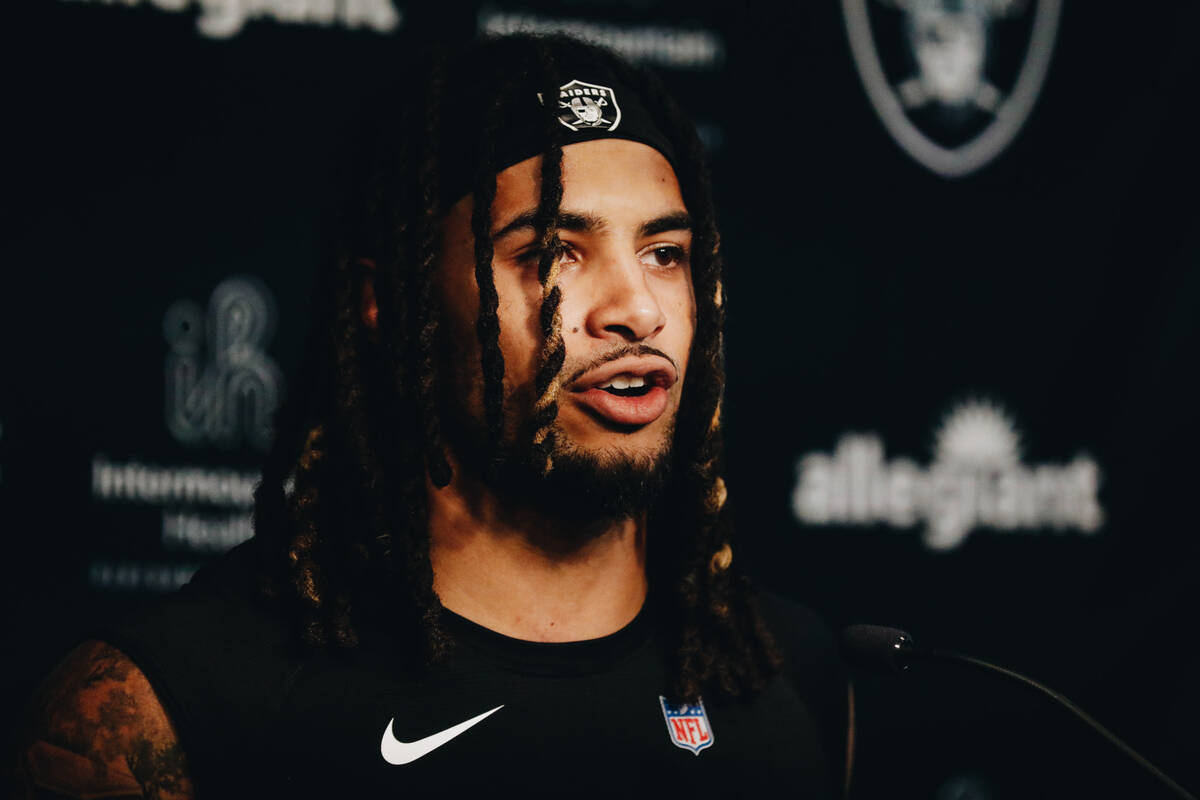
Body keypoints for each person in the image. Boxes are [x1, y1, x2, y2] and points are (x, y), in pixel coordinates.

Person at [12, 33, 853, 798]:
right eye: (555, 252)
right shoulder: (158, 710)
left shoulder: (791, 673)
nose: (636, 309)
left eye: (665, 254)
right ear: (396, 304)